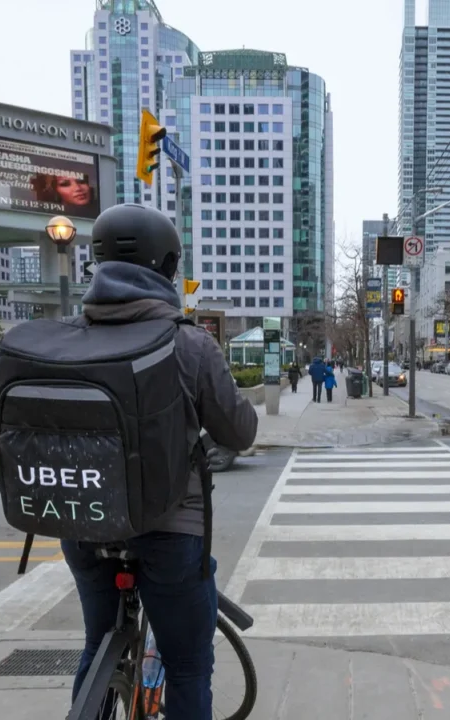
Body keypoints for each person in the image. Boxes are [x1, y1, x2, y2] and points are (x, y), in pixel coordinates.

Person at [59, 203, 257, 720]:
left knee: (95, 642)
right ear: (168, 269)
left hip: (85, 522)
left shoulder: (64, 343)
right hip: (171, 530)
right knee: (188, 666)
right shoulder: (190, 344)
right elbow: (240, 431)